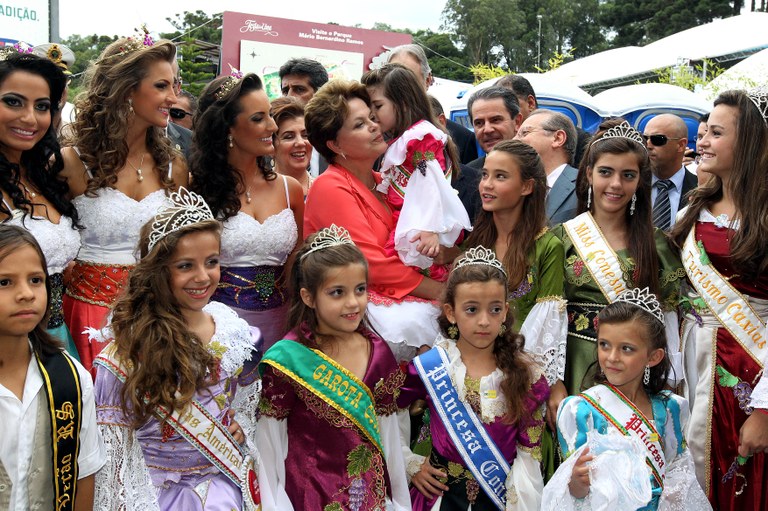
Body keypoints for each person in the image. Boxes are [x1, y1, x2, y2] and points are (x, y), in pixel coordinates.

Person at [92, 188, 261, 510]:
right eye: (185, 266)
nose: (203, 276)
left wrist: (238, 427)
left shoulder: (233, 330)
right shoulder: (127, 353)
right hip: (159, 495)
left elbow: (241, 403)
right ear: (157, 271)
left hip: (224, 488)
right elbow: (113, 455)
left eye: (211, 262)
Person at [257, 225, 410, 510]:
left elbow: (390, 440)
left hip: (368, 500)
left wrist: (399, 502)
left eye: (360, 290)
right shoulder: (288, 359)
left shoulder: (379, 354)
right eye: (337, 292)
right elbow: (269, 448)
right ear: (308, 297)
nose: (353, 303)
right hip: (308, 499)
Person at [61, 35, 188, 375]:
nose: (173, 98)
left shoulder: (175, 166)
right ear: (126, 90)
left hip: (156, 319)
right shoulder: (71, 163)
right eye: (162, 86)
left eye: (174, 86)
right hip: (87, 317)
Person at [671, 88, 768, 510]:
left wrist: (765, 410)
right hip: (690, 362)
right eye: (701, 131)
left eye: (715, 132)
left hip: (749, 369)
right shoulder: (692, 210)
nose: (702, 141)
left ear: (747, 143)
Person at [303, 79, 444, 362]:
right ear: (334, 144)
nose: (374, 126)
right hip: (361, 316)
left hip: (407, 298)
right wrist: (444, 291)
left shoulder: (384, 180)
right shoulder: (329, 186)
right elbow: (370, 264)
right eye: (359, 124)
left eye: (371, 117)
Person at [398, 246, 548, 510]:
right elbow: (388, 412)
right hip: (440, 499)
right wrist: (409, 462)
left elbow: (528, 457)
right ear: (450, 312)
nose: (483, 321)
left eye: (494, 309)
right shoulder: (432, 366)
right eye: (471, 310)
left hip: (499, 500)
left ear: (505, 312)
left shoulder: (526, 375)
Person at [550, 121, 685, 408]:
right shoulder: (560, 239)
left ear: (639, 182)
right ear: (588, 174)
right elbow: (547, 318)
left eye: (627, 175)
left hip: (634, 374)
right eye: (605, 172)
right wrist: (552, 384)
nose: (615, 184)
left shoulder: (658, 245)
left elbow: (668, 321)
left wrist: (671, 382)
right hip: (572, 366)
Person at [544, 288, 710, 510]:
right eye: (604, 345)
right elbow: (575, 493)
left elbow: (679, 476)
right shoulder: (582, 411)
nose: (612, 357)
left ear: (653, 357)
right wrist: (576, 483)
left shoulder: (670, 409)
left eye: (626, 349)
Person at [191, 71, 303, 351]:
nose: (273, 126)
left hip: (281, 327)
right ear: (227, 128)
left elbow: (296, 261)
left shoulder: (291, 190)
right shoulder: (197, 191)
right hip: (216, 329)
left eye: (270, 115)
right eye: (258, 118)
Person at [0, 225, 104, 510]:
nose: (25, 294)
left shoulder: (71, 378)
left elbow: (83, 475)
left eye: (35, 280)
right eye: (4, 283)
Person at [0, 49, 82, 359]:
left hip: (59, 339)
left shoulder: (42, 176)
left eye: (42, 106)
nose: (30, 118)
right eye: (13, 101)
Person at [466, 140, 566, 385]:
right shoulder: (473, 242)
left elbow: (547, 328)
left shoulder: (548, 246)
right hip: (470, 365)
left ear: (526, 186)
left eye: (500, 176)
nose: (487, 185)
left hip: (520, 374)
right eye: (485, 175)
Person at [361, 63, 470, 282]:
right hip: (407, 217)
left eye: (378, 106)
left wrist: (429, 228)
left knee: (403, 267)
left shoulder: (420, 137)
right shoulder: (403, 138)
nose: (373, 115)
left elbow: (431, 182)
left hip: (419, 222)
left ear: (402, 103)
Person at [386, 44, 478, 165]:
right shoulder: (375, 135)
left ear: (428, 80)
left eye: (409, 80)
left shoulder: (462, 139)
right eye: (394, 80)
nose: (402, 88)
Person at [514, 109, 579, 225]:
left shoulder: (584, 185)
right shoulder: (518, 189)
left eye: (524, 133)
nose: (514, 140)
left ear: (558, 138)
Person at [642, 114, 697, 231]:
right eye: (644, 138)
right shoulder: (633, 185)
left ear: (681, 145)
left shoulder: (700, 189)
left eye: (658, 139)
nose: (648, 145)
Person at [466, 86, 522, 170]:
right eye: (479, 123)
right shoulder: (466, 175)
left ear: (517, 122)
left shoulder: (539, 167)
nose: (487, 130)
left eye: (495, 120)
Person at [269, 96, 313, 197]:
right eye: (289, 137)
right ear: (271, 145)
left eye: (305, 135)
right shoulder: (257, 193)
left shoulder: (324, 189)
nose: (300, 142)